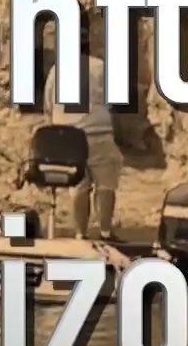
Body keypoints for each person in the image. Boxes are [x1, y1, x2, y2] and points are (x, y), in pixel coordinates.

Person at [40, 25, 125, 240]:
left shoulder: (56, 71)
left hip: (69, 138)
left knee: (79, 187)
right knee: (105, 184)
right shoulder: (100, 67)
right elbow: (113, 101)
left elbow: (49, 106)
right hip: (98, 133)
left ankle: (80, 234)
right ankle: (105, 232)